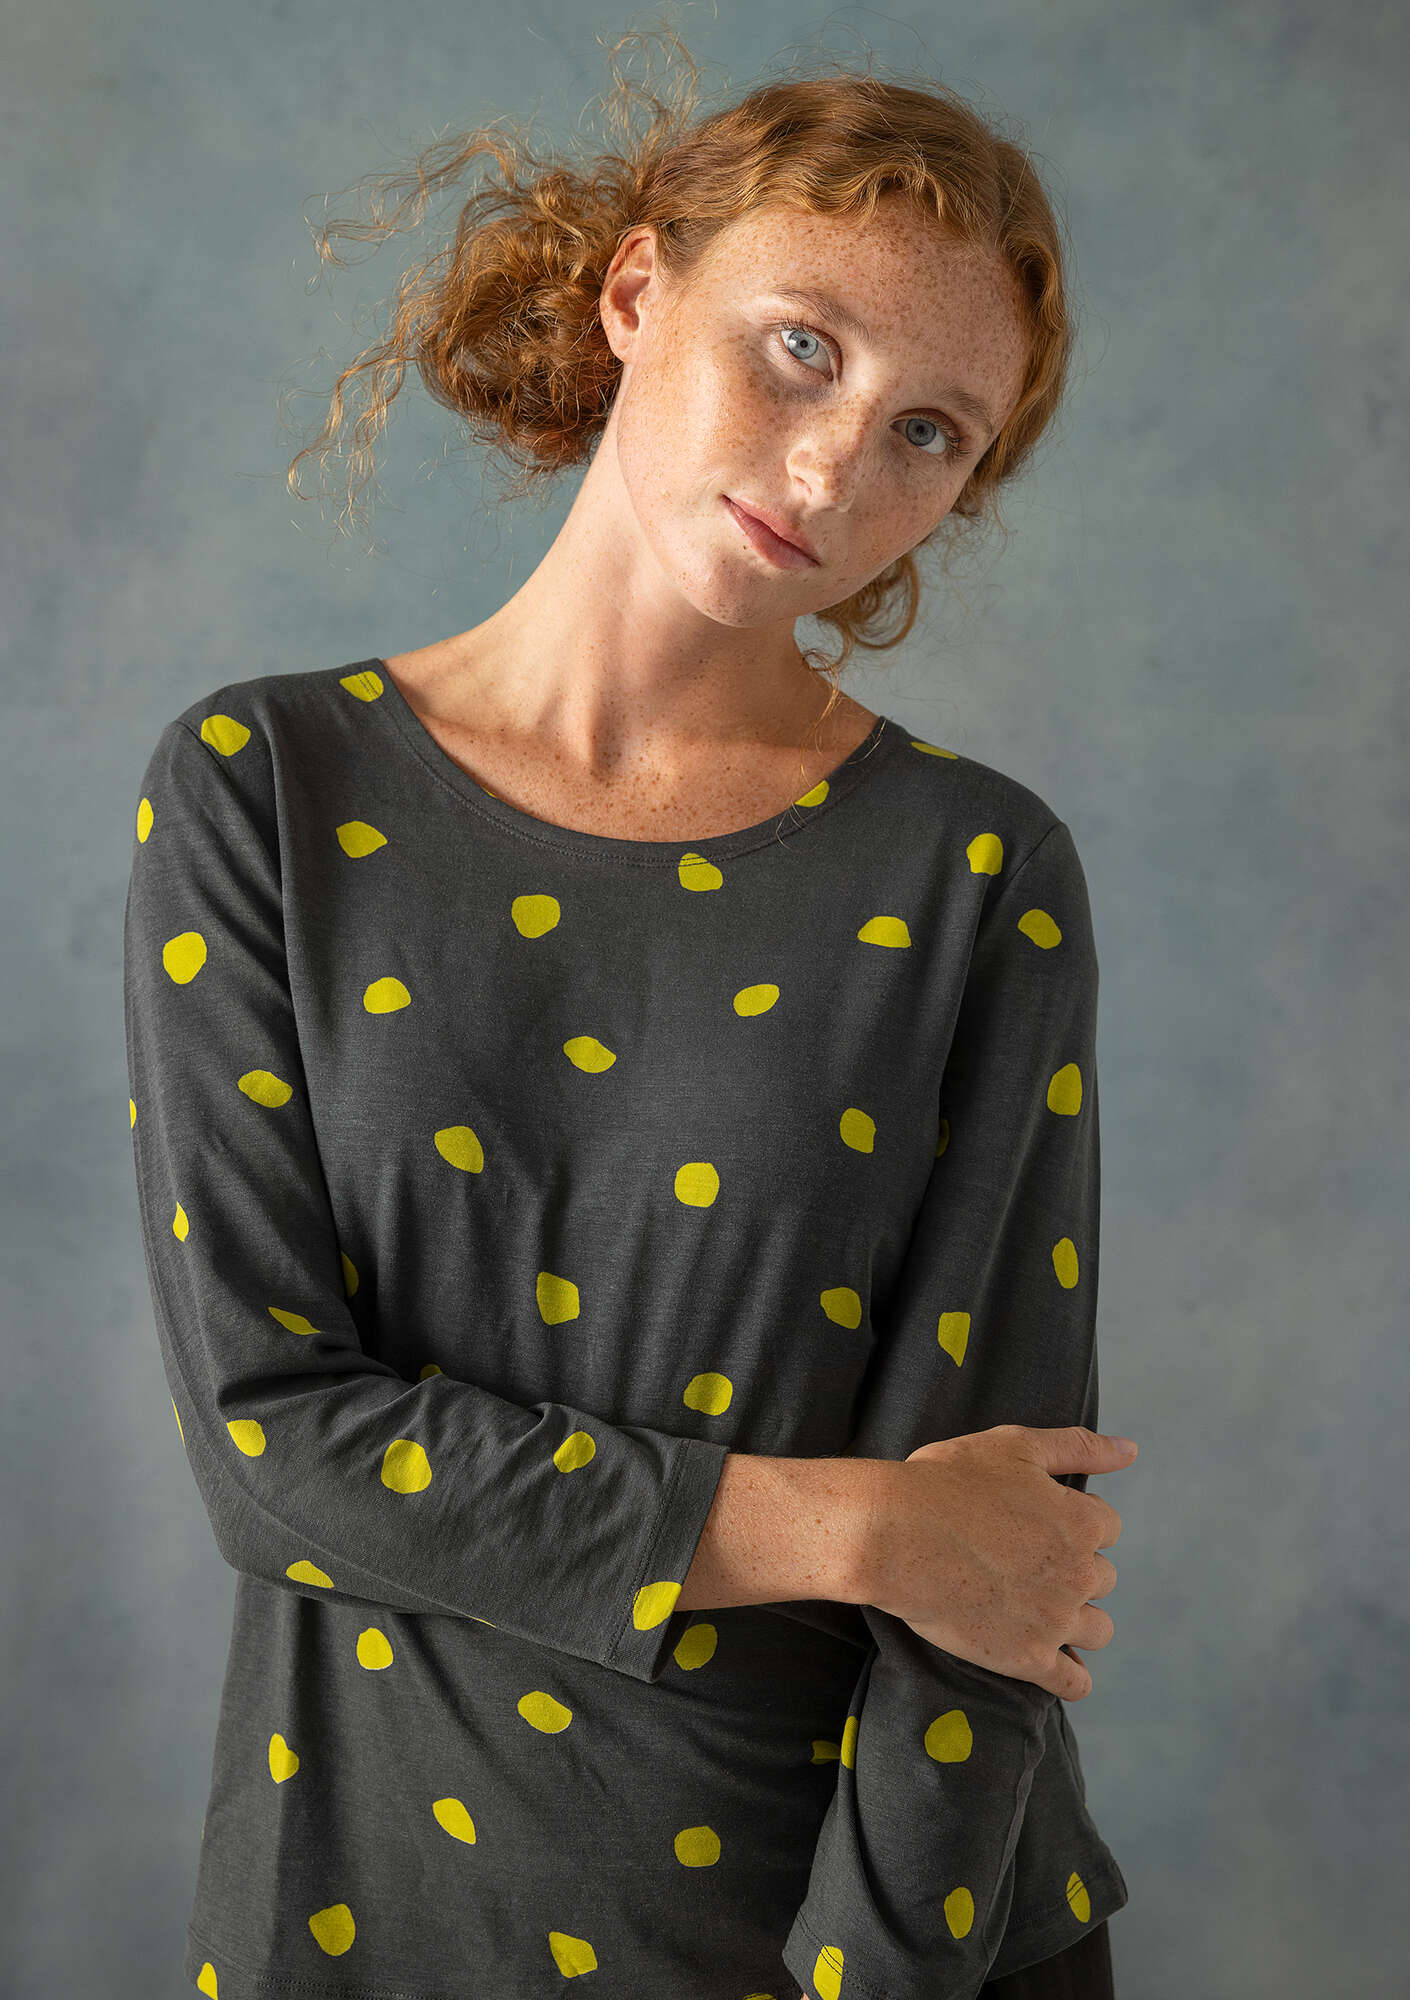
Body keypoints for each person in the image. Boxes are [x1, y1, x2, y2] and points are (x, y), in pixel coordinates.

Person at [124, 30, 1137, 2000]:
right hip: (377, 1910)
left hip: (894, 1934)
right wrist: (852, 1527)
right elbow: (273, 1455)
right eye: (801, 347)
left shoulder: (979, 869)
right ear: (635, 293)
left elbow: (999, 1563)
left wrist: (870, 1979)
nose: (836, 467)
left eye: (932, 433)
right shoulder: (264, 790)